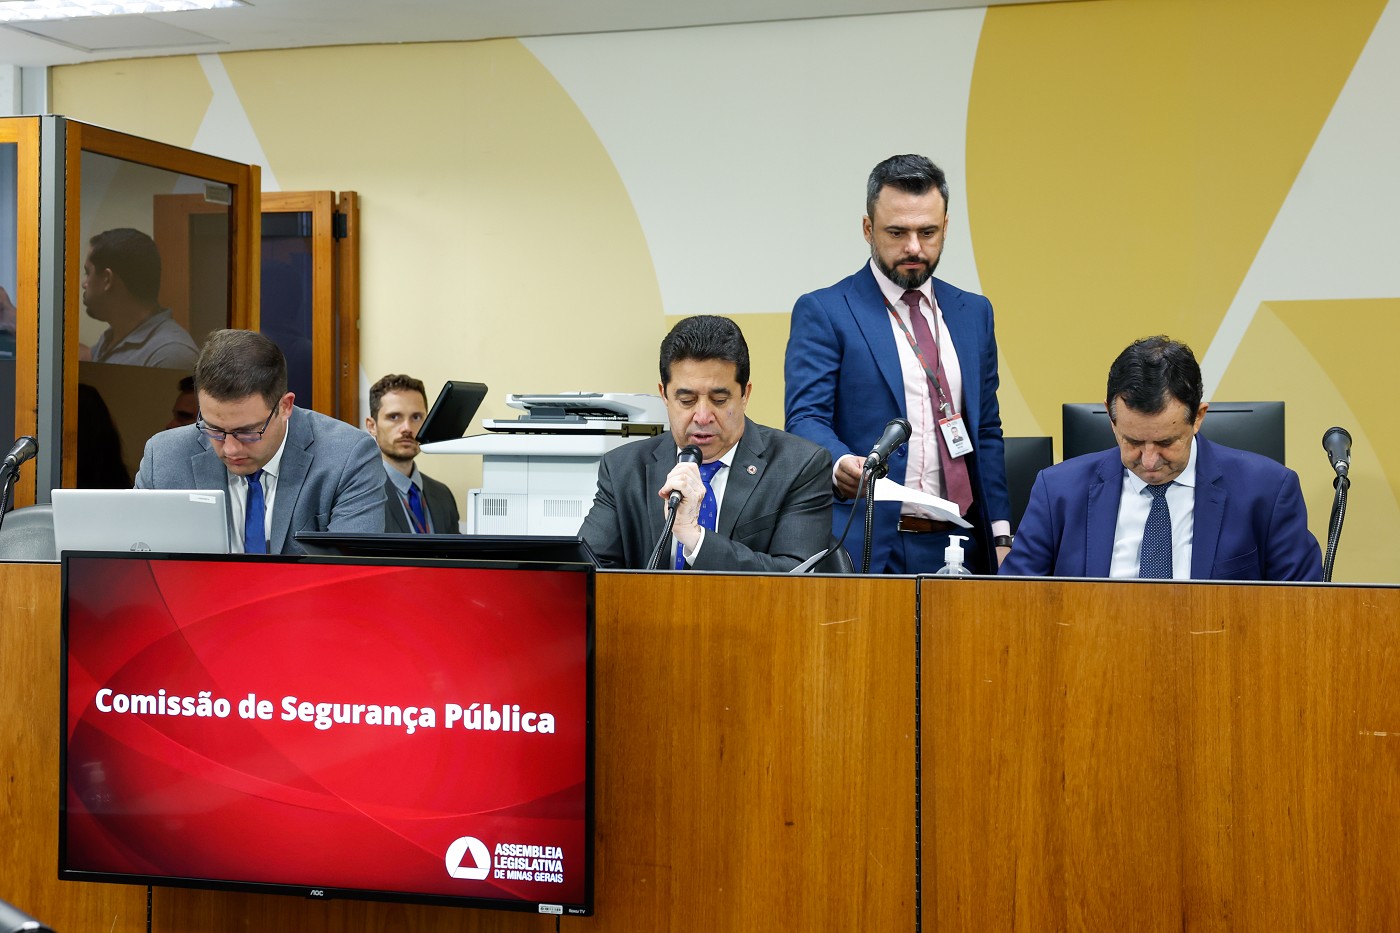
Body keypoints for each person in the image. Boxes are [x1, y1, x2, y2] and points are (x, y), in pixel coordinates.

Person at [785, 154, 1011, 574]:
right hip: (868, 543)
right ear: (867, 229)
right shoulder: (827, 311)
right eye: (897, 232)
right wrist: (840, 464)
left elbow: (986, 432)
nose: (913, 248)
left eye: (927, 232)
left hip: (962, 543)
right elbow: (805, 418)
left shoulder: (974, 313)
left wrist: (1000, 534)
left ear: (946, 227)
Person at [1000, 336, 1322, 581]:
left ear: (1198, 417)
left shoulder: (1268, 491)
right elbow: (1013, 607)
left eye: (1166, 442)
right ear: (1111, 418)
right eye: (1133, 441)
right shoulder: (1057, 491)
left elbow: (1302, 612)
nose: (1150, 461)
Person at [581, 315, 832, 571]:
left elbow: (796, 576)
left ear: (745, 394)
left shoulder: (799, 466)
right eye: (686, 401)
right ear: (664, 395)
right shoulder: (623, 469)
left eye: (719, 400)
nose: (702, 417)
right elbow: (588, 568)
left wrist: (695, 539)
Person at [135, 329, 385, 554]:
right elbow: (137, 567)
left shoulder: (349, 457)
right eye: (214, 429)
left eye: (247, 431)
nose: (230, 449)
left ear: (285, 406)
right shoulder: (164, 457)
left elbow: (350, 576)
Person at [81, 228, 198, 369]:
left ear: (107, 279)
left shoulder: (171, 354)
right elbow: (88, 357)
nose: (84, 284)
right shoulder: (116, 336)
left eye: (88, 273)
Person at [365, 373, 460, 534]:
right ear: (372, 426)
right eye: (394, 417)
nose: (407, 428)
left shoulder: (443, 494)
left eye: (416, 417)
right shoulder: (362, 495)